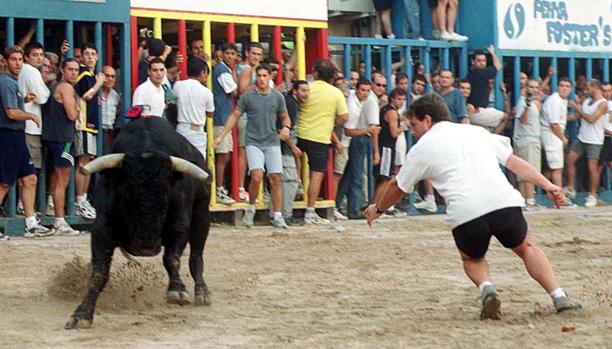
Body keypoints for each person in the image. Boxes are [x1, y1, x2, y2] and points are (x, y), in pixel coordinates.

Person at [364, 93, 583, 319]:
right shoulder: (476, 131)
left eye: (414, 124)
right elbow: (514, 163)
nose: (412, 131)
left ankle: (487, 289)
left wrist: (377, 209)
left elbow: (397, 187)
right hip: (503, 202)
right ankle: (559, 296)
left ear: (428, 120)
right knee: (526, 248)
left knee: (472, 259)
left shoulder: (421, 148)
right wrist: (548, 185)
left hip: (466, 212)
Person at [214, 64, 291, 228]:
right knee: (256, 175)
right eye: (259, 76)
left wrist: (286, 128)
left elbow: (285, 117)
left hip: (272, 141)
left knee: (275, 177)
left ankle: (277, 215)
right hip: (254, 140)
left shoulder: (278, 97)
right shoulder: (248, 97)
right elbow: (235, 115)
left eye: (265, 76)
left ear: (270, 77)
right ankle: (250, 207)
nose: (262, 79)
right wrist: (222, 135)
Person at [0, 46, 50, 239]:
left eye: (20, 59)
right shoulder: (6, 82)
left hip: (17, 135)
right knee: (4, 182)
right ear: (5, 61)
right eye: (13, 59)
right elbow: (11, 113)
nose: (18, 63)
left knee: (30, 178)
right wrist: (30, 115)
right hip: (8, 135)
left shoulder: (12, 83)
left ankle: (31, 223)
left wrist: (26, 101)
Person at [297, 59, 349, 224]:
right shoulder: (336, 93)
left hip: (300, 133)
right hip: (320, 137)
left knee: (296, 165)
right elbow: (344, 117)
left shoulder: (308, 88)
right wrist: (331, 121)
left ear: (315, 74)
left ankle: (298, 186)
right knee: (316, 175)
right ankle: (310, 212)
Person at [42, 59, 81, 236]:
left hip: (53, 137)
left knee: (56, 176)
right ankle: (59, 220)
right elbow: (72, 115)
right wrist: (79, 107)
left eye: (76, 70)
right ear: (62, 70)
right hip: (63, 138)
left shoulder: (54, 85)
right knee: (62, 180)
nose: (73, 73)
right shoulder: (66, 88)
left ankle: (54, 211)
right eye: (70, 69)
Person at [336, 78, 380, 219]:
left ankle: (339, 205)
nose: (365, 93)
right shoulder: (349, 101)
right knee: (349, 176)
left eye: (367, 90)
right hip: (344, 141)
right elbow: (348, 131)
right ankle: (352, 211)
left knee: (348, 177)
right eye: (363, 90)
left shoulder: (369, 100)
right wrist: (367, 131)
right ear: (357, 88)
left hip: (352, 141)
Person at [565, 79, 609, 208]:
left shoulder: (603, 104)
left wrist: (577, 109)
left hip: (595, 140)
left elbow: (591, 119)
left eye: (588, 87)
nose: (586, 90)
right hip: (582, 137)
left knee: (592, 169)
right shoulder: (587, 101)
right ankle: (571, 188)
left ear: (595, 87)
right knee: (570, 160)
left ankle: (592, 195)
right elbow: (578, 117)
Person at [74, 43, 105, 220]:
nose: (91, 57)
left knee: (87, 163)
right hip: (83, 124)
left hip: (90, 125)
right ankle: (80, 200)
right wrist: (98, 84)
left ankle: (83, 198)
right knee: (83, 163)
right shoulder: (85, 74)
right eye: (87, 54)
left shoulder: (91, 75)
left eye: (93, 54)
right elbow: (87, 95)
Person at [236, 42, 264, 202]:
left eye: (259, 54)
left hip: (252, 117)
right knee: (244, 152)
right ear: (247, 53)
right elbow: (241, 90)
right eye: (254, 53)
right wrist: (259, 84)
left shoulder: (252, 70)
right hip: (246, 117)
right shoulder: (246, 70)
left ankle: (248, 189)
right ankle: (241, 188)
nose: (256, 57)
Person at [212, 43, 239, 205]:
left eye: (233, 53)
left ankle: (220, 187)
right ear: (222, 54)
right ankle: (219, 189)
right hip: (221, 118)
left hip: (225, 118)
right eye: (227, 53)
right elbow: (234, 91)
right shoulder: (222, 71)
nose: (230, 56)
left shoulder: (225, 70)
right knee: (222, 155)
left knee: (225, 155)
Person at [173, 58, 214, 160]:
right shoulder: (206, 92)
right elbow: (210, 113)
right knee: (199, 164)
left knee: (182, 162)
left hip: (181, 128)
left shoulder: (177, 86)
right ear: (203, 72)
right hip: (197, 132)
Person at [18, 41, 49, 172]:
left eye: (41, 54)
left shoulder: (22, 70)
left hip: (22, 125)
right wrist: (47, 89)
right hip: (31, 127)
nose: (39, 58)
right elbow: (42, 98)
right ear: (26, 57)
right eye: (35, 55)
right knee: (30, 172)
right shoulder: (32, 71)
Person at [372, 88, 406, 205]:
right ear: (392, 99)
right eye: (399, 99)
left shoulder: (385, 109)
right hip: (387, 147)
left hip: (383, 145)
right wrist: (404, 126)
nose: (401, 102)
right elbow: (394, 132)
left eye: (403, 99)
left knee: (383, 177)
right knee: (385, 179)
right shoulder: (392, 112)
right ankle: (375, 205)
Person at [540, 78, 572, 201]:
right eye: (562, 85)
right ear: (558, 87)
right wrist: (563, 139)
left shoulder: (561, 100)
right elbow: (554, 124)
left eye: (567, 86)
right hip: (552, 135)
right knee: (557, 168)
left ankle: (538, 191)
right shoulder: (555, 101)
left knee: (550, 168)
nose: (564, 88)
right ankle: (561, 199)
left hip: (552, 135)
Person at [513, 79, 543, 210]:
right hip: (528, 140)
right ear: (526, 87)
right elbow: (523, 120)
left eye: (536, 87)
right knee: (530, 171)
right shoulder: (523, 102)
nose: (534, 89)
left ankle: (524, 200)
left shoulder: (533, 102)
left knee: (523, 172)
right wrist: (527, 106)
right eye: (531, 87)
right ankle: (530, 200)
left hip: (527, 139)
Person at [467, 47, 507, 134]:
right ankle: (494, 138)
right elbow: (498, 66)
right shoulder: (479, 73)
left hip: (476, 111)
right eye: (479, 60)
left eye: (484, 60)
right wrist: (492, 52)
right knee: (505, 117)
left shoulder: (472, 74)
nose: (482, 63)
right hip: (476, 111)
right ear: (473, 61)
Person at [100, 65, 120, 155]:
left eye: (113, 76)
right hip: (96, 131)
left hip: (108, 133)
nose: (110, 79)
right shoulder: (96, 91)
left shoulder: (115, 95)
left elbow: (117, 111)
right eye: (107, 76)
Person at [598, 82, 612, 176]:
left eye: (609, 91)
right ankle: (593, 190)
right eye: (604, 91)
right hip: (600, 138)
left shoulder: (611, 104)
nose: (607, 93)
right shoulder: (599, 104)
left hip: (609, 138)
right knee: (599, 166)